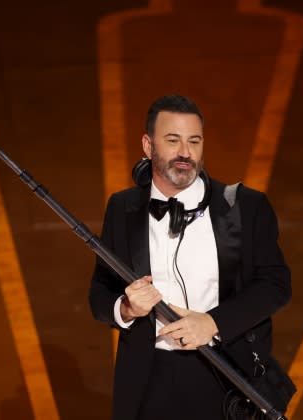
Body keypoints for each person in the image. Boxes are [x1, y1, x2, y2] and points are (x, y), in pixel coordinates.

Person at [89, 94, 291, 420]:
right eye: (173, 140)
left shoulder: (245, 206)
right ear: (147, 145)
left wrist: (213, 323)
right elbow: (99, 295)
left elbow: (276, 284)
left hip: (226, 374)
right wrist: (126, 308)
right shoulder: (122, 208)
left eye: (194, 141)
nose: (185, 152)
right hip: (148, 380)